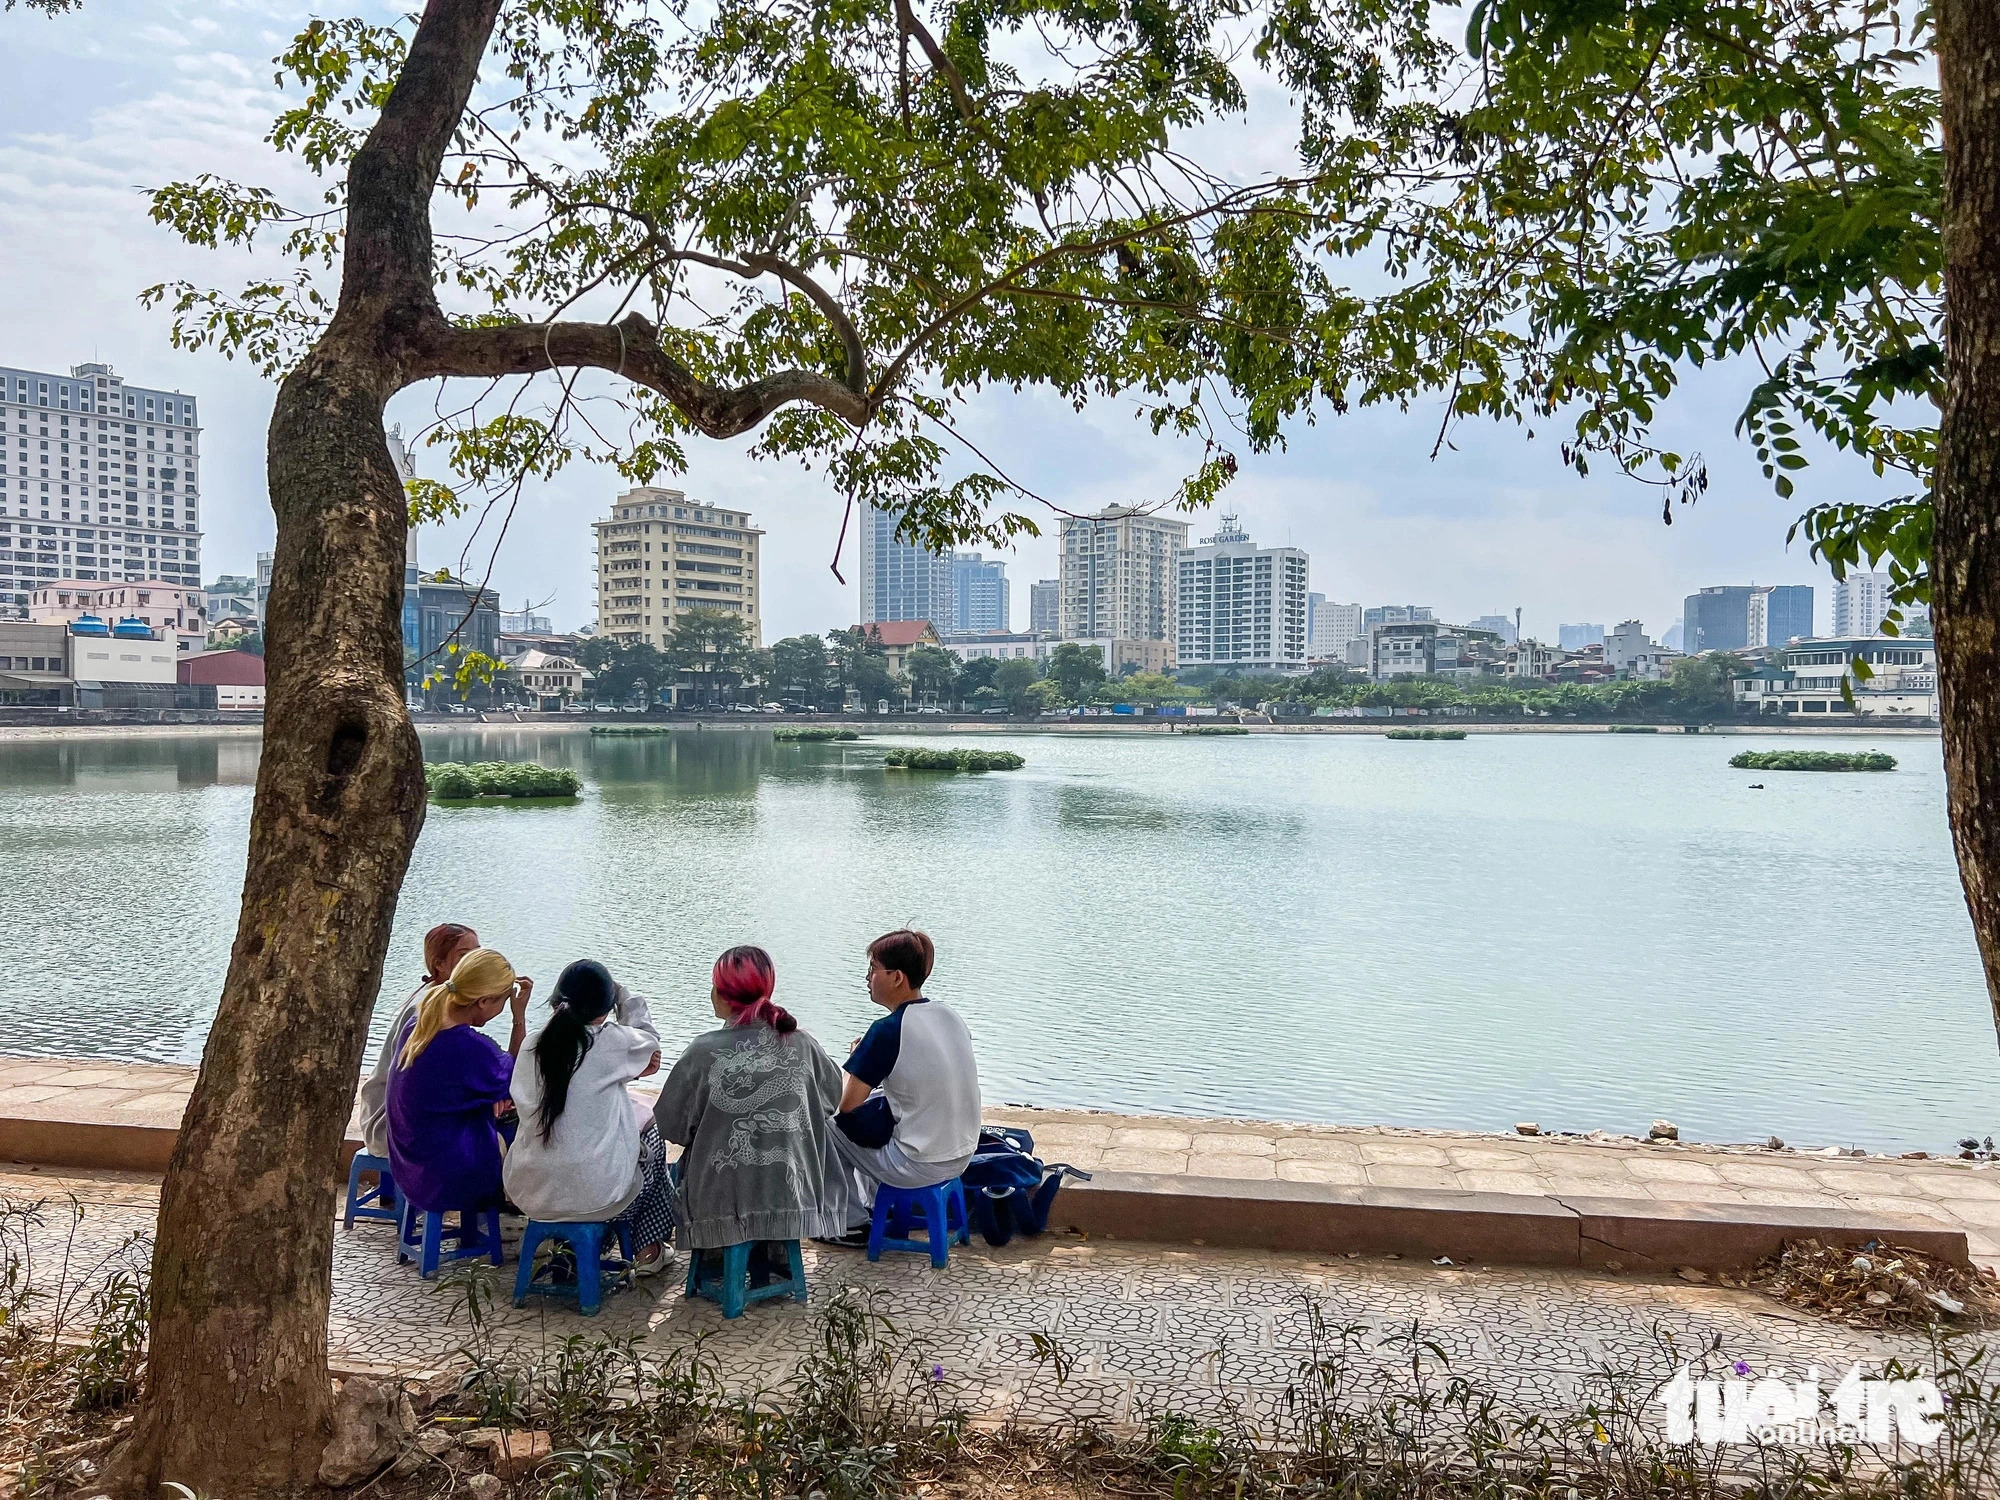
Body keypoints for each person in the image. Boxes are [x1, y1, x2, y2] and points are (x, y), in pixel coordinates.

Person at [653, 946, 847, 1252]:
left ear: (721, 994)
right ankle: (777, 1251)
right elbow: (830, 1100)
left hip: (720, 1204)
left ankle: (715, 1250)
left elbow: (670, 1126)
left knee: (672, 1164)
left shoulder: (702, 1052)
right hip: (793, 1198)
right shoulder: (803, 1043)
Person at [505, 960, 676, 1276]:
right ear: (605, 1008)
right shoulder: (609, 1041)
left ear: (556, 1001)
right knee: (651, 1137)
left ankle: (569, 1250)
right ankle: (647, 1249)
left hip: (530, 1191)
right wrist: (625, 997)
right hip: (595, 1197)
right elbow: (650, 1042)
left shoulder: (532, 1045)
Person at [823, 929, 981, 1237]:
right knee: (880, 1109)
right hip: (961, 1155)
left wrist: (855, 1066)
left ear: (896, 977)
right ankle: (874, 1204)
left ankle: (848, 1223)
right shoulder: (949, 1015)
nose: (867, 978)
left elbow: (846, 1107)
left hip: (920, 1165)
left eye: (873, 970)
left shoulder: (886, 1030)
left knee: (827, 1125)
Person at [385, 947, 532, 1214]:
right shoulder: (467, 1047)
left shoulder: (420, 1023)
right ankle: (536, 1213)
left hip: (410, 1167)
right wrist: (518, 1017)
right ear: (483, 1001)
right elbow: (520, 1077)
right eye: (502, 1001)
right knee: (526, 1128)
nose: (502, 1007)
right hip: (446, 1179)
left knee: (499, 1111)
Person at [357, 922, 479, 1159]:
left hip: (408, 1115)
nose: (474, 962)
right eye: (464, 956)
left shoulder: (446, 1000)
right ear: (439, 965)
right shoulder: (430, 1009)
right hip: (389, 1124)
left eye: (477, 954)